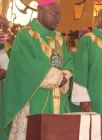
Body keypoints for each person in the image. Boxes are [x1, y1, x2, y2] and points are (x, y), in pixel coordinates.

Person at [0, 0, 74, 139]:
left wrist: (65, 75)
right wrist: (57, 77)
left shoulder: (59, 38)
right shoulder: (26, 35)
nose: (58, 17)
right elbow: (26, 64)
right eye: (55, 13)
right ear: (41, 12)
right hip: (34, 96)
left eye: (60, 15)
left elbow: (69, 60)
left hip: (58, 97)